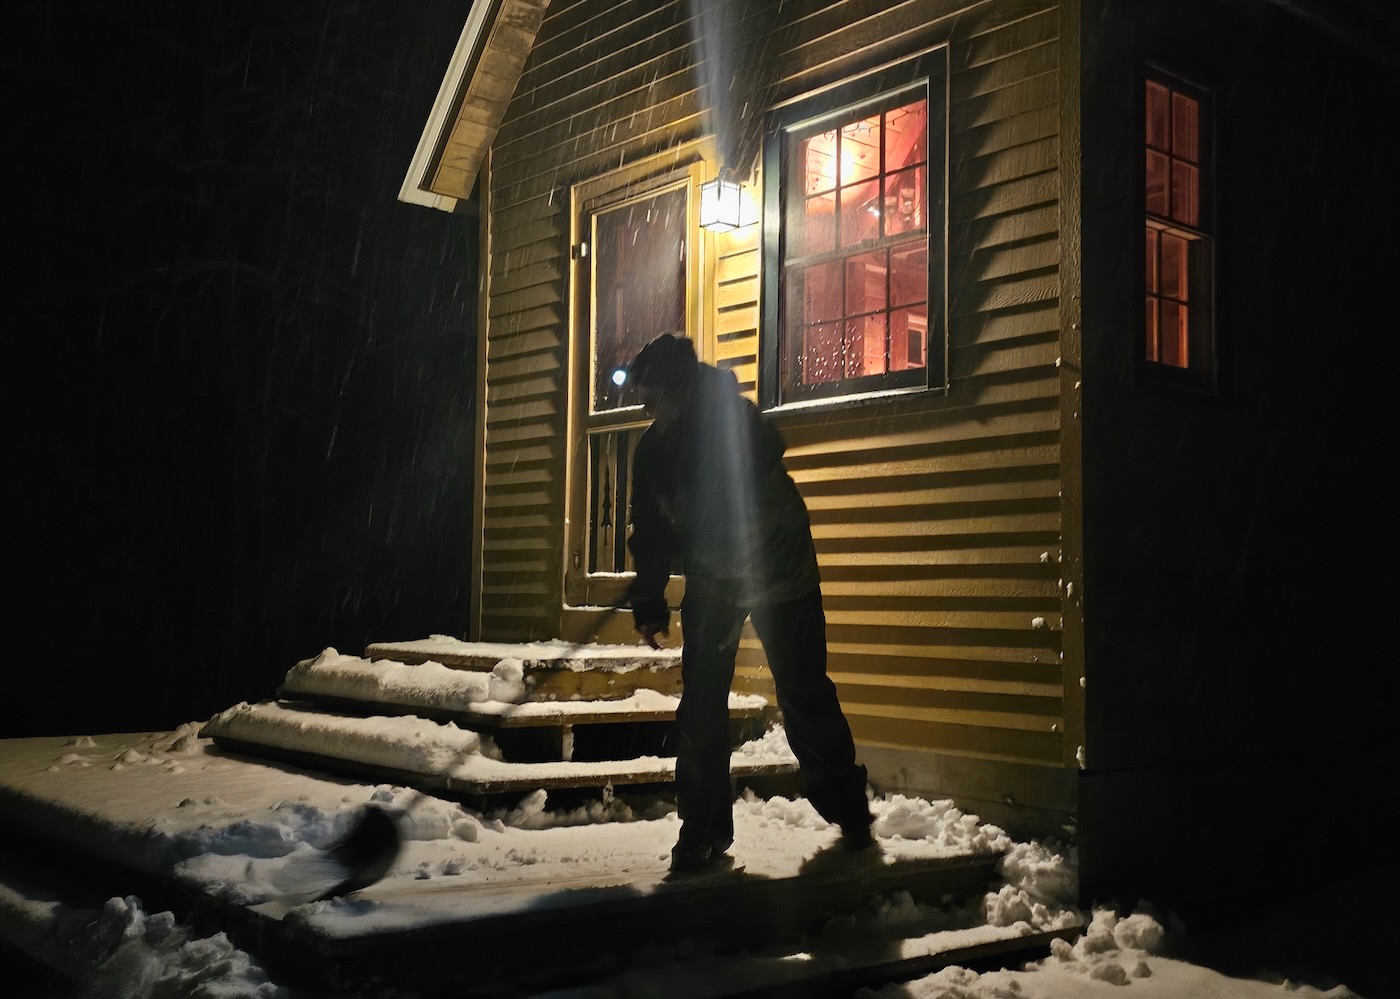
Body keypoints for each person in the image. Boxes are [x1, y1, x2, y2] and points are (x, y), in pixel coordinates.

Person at [624, 332, 874, 874]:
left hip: (779, 568)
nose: (646, 406)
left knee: (803, 691)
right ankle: (703, 829)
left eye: (651, 393)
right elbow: (650, 532)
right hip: (716, 579)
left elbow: (754, 474)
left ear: (679, 387)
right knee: (702, 704)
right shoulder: (653, 450)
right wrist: (648, 600)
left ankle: (848, 809)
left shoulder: (734, 422)